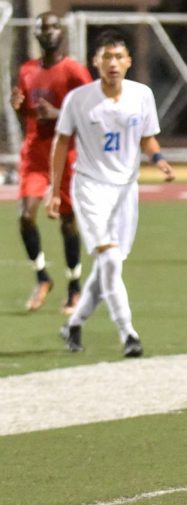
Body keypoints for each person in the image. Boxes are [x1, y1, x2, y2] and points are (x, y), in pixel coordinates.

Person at [49, 29, 175, 358]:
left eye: (118, 57)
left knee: (111, 264)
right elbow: (61, 143)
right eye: (106, 57)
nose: (113, 63)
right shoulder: (78, 100)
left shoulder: (142, 95)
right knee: (107, 258)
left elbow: (147, 137)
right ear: (95, 62)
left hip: (126, 191)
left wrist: (158, 159)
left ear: (129, 61)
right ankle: (128, 332)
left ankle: (74, 324)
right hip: (90, 186)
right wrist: (54, 190)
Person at [11, 11, 92, 313]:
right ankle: (42, 276)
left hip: (64, 152)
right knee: (26, 215)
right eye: (43, 28)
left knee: (67, 220)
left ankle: (74, 286)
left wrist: (58, 115)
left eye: (54, 27)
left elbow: (90, 112)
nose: (49, 32)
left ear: (62, 33)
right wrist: (20, 109)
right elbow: (28, 114)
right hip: (35, 153)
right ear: (36, 34)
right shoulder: (27, 70)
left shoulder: (74, 71)